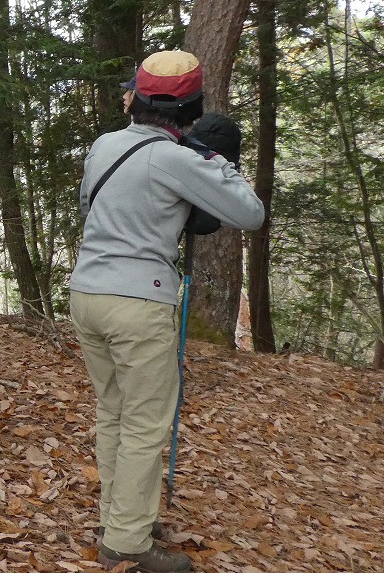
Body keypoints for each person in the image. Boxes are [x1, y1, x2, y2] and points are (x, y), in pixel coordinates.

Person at [69, 50, 265, 572]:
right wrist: (213, 157)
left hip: (87, 293)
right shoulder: (177, 159)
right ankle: (127, 543)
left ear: (137, 98)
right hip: (138, 301)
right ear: (192, 108)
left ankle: (119, 518)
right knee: (144, 423)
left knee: (113, 410)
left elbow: (90, 206)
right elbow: (250, 212)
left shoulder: (105, 145)